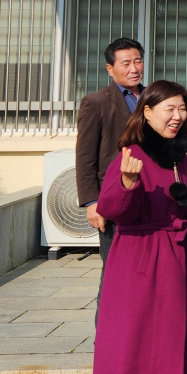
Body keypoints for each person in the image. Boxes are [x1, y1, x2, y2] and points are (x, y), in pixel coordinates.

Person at [88, 80, 187, 374]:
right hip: (137, 261)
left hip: (174, 261)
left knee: (162, 350)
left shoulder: (179, 157)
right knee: (128, 351)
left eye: (183, 108)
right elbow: (112, 210)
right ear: (147, 112)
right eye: (169, 108)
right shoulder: (131, 154)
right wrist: (127, 183)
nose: (178, 116)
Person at [75, 38, 146, 297]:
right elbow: (85, 157)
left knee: (146, 270)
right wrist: (92, 202)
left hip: (151, 195)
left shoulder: (153, 98)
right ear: (110, 68)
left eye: (138, 61)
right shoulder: (95, 103)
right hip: (115, 196)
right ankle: (106, 323)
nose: (134, 68)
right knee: (115, 270)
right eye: (126, 63)